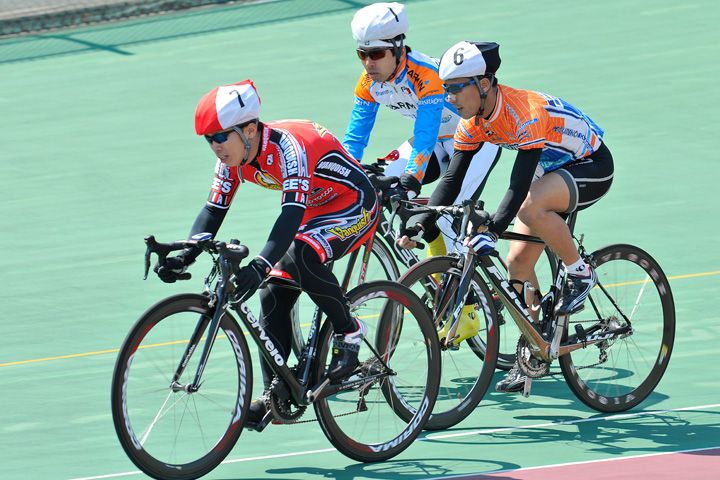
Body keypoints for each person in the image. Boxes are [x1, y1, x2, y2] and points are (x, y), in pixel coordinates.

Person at [154, 80, 379, 425]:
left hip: (352, 203)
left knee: (297, 255)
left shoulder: (289, 147)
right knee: (272, 289)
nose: (214, 146)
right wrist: (185, 254)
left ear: (248, 129)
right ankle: (274, 391)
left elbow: (290, 215)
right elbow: (214, 210)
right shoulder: (233, 157)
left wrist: (259, 264)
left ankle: (349, 332)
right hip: (314, 209)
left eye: (219, 137)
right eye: (208, 139)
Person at [407, 41, 614, 393]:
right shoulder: (472, 122)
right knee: (517, 264)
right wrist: (421, 222)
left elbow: (519, 184)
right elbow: (452, 179)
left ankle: (580, 272)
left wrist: (493, 228)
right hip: (549, 170)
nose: (450, 97)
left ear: (484, 84)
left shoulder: (523, 111)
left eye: (457, 88)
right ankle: (534, 353)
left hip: (589, 165)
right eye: (446, 88)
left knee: (530, 207)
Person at [343, 2, 501, 256]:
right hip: (438, 141)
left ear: (398, 48)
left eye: (377, 54)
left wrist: (411, 180)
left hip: (476, 139)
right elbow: (355, 136)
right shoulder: (368, 84)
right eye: (363, 54)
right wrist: (343, 170)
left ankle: (467, 292)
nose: (368, 64)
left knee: (450, 219)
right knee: (377, 190)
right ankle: (432, 240)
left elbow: (425, 135)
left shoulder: (427, 75)